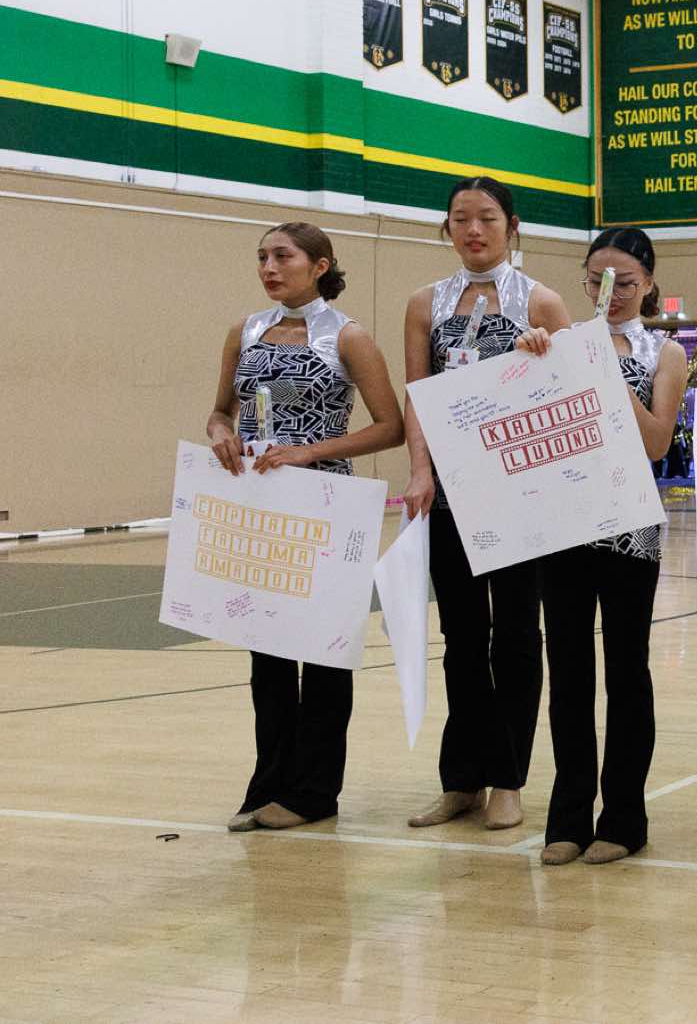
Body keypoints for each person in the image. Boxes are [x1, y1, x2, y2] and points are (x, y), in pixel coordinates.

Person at [204, 222, 403, 831]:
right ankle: (267, 785)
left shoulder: (348, 336)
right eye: (262, 257)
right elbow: (219, 412)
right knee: (266, 655)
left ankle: (314, 792)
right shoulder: (244, 330)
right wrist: (220, 434)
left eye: (282, 256)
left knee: (323, 654)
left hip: (325, 504)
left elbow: (390, 426)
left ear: (319, 266)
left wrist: (309, 451)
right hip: (260, 506)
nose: (268, 267)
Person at [400, 177, 572, 832]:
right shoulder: (424, 303)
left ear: (511, 225)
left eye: (488, 218)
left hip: (522, 495)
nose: (474, 230)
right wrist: (421, 470)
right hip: (450, 495)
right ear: (446, 227)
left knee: (517, 637)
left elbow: (575, 389)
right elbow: (417, 393)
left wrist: (545, 357)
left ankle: (509, 779)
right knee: (462, 639)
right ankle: (461, 779)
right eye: (461, 218)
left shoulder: (542, 300)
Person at [513, 228, 689, 866]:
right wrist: (529, 359)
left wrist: (601, 372)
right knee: (567, 674)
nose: (609, 293)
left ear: (648, 284)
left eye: (625, 282)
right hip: (560, 524)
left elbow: (655, 442)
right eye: (596, 281)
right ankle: (566, 817)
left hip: (629, 527)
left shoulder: (665, 351)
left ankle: (623, 817)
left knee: (626, 671)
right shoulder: (554, 341)